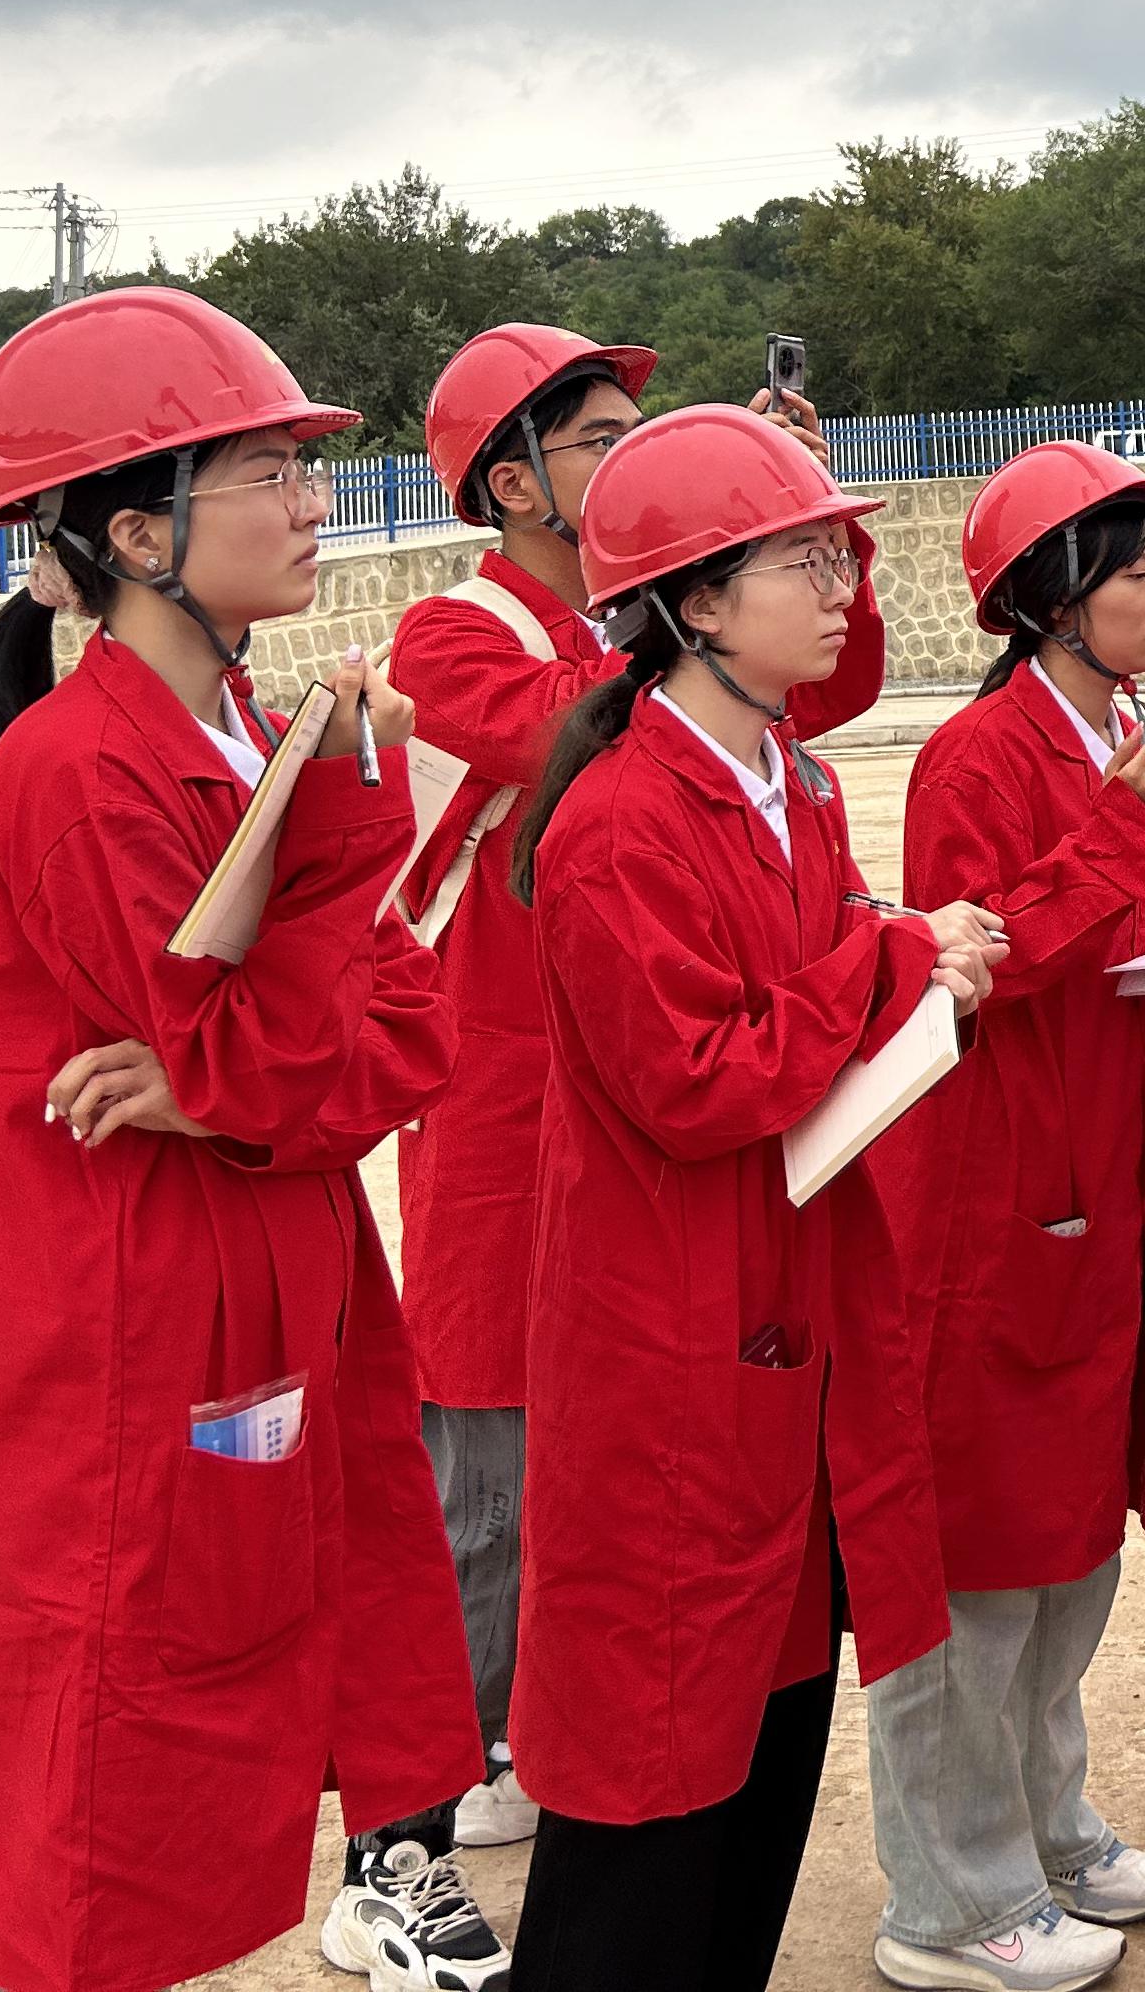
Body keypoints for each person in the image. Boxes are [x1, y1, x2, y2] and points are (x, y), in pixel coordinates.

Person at [0, 287, 496, 1992]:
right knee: (90, 1770)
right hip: (129, 1316)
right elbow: (256, 1043)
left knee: (208, 1703)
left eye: (306, 466)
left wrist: (232, 1077)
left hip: (258, 1269)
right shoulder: (83, 770)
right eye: (267, 471)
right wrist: (242, 1064)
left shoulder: (252, 738)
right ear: (138, 532)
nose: (314, 502)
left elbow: (402, 1032)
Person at [505, 405, 1006, 1992]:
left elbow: (816, 1016)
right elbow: (695, 1079)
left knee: (764, 1753)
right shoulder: (619, 821)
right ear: (699, 602)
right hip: (669, 1336)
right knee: (649, 1793)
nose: (844, 588)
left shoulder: (795, 783)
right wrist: (895, 958)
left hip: (785, 1312)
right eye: (804, 561)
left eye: (839, 555)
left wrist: (908, 977)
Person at [381, 327, 877, 1864]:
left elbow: (835, 681)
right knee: (488, 1494)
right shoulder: (452, 634)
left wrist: (788, 519)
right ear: (510, 483)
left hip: (639, 1119)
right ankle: (421, 1800)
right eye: (598, 438)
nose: (626, 454)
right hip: (504, 1120)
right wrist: (702, 576)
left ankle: (542, 1744)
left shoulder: (679, 645)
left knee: (624, 1486)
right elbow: (581, 718)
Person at [865, 442, 1145, 1991]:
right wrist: (1116, 833)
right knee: (981, 1556)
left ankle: (1044, 1824)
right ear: (1047, 597)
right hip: (1001, 1201)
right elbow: (982, 959)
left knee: (1072, 1539)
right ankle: (947, 1895)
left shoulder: (1123, 733)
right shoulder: (978, 758)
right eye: (1130, 572)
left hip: (1105, 1188)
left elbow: (1124, 929)